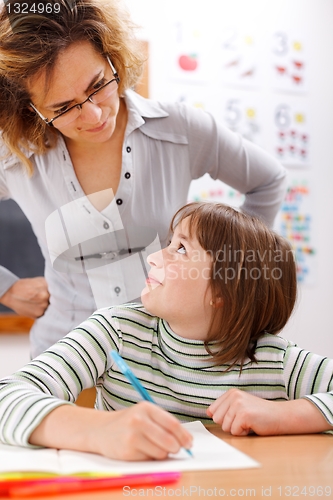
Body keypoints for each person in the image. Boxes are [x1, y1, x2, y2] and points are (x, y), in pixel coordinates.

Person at [0, 0, 288, 357]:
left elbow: (268, 181)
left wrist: (227, 274)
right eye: (63, 108)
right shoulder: (13, 156)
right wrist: (6, 289)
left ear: (112, 58)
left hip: (168, 362)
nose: (93, 114)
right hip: (64, 362)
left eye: (98, 84)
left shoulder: (180, 129)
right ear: (30, 108)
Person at [0, 201, 332, 461]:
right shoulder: (115, 331)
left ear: (224, 290)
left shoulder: (273, 359)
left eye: (181, 249)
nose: (155, 257)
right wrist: (96, 431)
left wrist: (286, 415)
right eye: (169, 243)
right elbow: (7, 396)